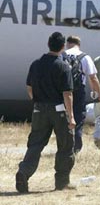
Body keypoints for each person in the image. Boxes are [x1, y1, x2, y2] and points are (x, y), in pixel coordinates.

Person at [16, 32, 76, 193]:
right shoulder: (63, 66)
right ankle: (62, 182)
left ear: (48, 44)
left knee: (35, 144)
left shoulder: (36, 64)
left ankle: (24, 172)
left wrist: (37, 102)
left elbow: (29, 87)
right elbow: (67, 94)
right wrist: (71, 117)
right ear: (63, 47)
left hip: (39, 109)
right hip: (59, 110)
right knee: (65, 145)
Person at [65, 35, 100, 153]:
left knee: (63, 119)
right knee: (77, 118)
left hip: (62, 91)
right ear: (79, 44)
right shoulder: (84, 57)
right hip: (77, 91)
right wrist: (99, 93)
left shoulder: (62, 55)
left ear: (67, 43)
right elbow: (93, 78)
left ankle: (64, 146)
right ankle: (75, 148)